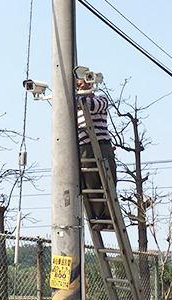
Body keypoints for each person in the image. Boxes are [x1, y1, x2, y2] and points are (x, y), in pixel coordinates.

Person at [76, 78, 117, 231]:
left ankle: (110, 216)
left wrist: (77, 97)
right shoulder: (75, 106)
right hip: (84, 147)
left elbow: (91, 105)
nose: (79, 87)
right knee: (90, 184)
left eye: (81, 85)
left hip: (102, 145)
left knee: (108, 181)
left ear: (90, 85)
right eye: (77, 86)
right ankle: (100, 217)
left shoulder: (101, 99)